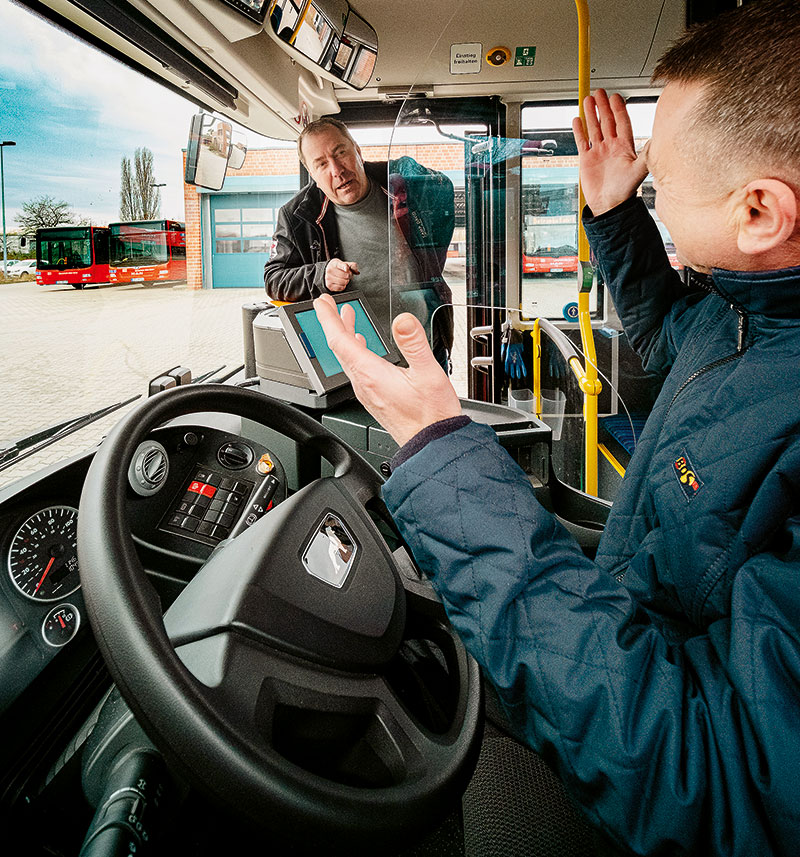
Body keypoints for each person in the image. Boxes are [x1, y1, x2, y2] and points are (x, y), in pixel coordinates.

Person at [313, 1, 800, 853]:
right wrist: (616, 213)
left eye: (660, 183)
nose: (649, 188)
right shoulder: (749, 314)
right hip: (630, 639)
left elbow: (719, 782)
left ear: (759, 213)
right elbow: (669, 332)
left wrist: (437, 450)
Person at [263, 116, 455, 369]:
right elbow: (274, 279)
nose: (336, 170)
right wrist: (322, 275)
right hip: (359, 360)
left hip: (426, 348)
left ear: (358, 151)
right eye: (321, 164)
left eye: (340, 153)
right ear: (312, 174)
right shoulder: (298, 215)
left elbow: (443, 195)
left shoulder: (401, 187)